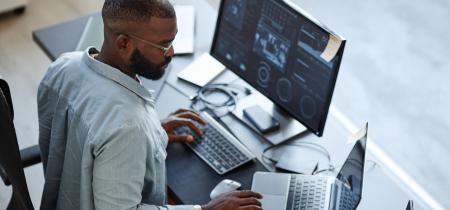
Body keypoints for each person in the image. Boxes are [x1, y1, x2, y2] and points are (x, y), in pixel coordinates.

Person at [37, 0, 262, 209]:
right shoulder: (128, 126)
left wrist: (153, 135)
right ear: (123, 43)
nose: (172, 53)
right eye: (164, 46)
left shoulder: (63, 66)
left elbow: (88, 132)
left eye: (173, 40)